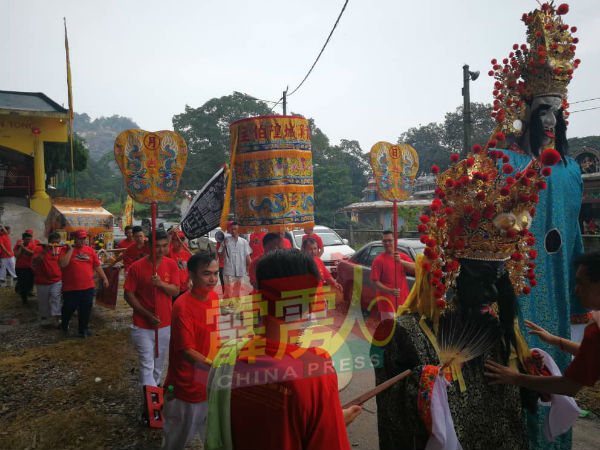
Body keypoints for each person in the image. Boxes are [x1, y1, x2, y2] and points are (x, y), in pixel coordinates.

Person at [485, 5, 585, 448]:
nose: (550, 119)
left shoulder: (569, 170)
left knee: (557, 382)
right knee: (519, 381)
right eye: (543, 110)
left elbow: (578, 238)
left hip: (560, 289)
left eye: (557, 113)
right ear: (526, 112)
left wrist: (582, 302)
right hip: (517, 290)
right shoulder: (505, 164)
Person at [205, 249, 360, 450]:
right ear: (313, 304)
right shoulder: (316, 371)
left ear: (256, 298)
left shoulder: (229, 356)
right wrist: (335, 421)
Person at [485, 251, 600, 396]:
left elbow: (568, 385)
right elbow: (591, 353)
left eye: (581, 283)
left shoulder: (596, 329)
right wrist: (556, 341)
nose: (576, 290)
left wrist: (515, 378)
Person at [162, 251, 220, 450]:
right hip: (185, 387)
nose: (212, 279)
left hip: (209, 384)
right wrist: (218, 366)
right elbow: (187, 351)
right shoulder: (182, 306)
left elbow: (216, 334)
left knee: (214, 440)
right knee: (175, 442)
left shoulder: (214, 298)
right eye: (206, 273)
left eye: (215, 273)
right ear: (191, 276)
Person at [124, 229, 180, 389]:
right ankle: (149, 399)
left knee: (159, 361)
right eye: (157, 246)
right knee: (146, 362)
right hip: (142, 324)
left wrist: (161, 284)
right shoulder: (136, 267)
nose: (161, 250)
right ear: (148, 246)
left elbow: (176, 290)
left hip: (164, 323)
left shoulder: (171, 265)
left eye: (164, 246)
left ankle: (155, 388)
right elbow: (128, 294)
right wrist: (146, 314)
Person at [59, 229, 109, 338]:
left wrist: (104, 278)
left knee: (86, 309)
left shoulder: (90, 251)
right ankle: (64, 323)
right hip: (70, 287)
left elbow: (97, 265)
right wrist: (71, 250)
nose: (82, 241)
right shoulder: (65, 249)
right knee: (68, 308)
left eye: (83, 239)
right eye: (79, 238)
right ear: (74, 239)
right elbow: (63, 264)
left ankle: (83, 329)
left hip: (88, 286)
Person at [370, 230, 415, 318]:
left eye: (390, 240)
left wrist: (400, 261)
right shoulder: (378, 260)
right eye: (384, 241)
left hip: (403, 303)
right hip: (387, 305)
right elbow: (374, 282)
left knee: (402, 330)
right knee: (390, 330)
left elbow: (415, 268)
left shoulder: (402, 256)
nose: (387, 243)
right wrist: (390, 291)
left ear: (395, 241)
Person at [32, 232, 63, 327]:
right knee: (43, 301)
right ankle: (44, 318)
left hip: (56, 279)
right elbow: (35, 261)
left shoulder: (60, 249)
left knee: (56, 298)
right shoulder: (39, 248)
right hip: (42, 280)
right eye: (54, 243)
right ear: (49, 241)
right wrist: (45, 250)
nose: (56, 245)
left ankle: (57, 318)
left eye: (57, 243)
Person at [218, 222, 251, 301]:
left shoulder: (244, 242)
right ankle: (229, 307)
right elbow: (221, 256)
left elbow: (247, 257)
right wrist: (225, 245)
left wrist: (249, 268)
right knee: (228, 292)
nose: (233, 231)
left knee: (239, 292)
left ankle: (238, 307)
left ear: (238, 230)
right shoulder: (225, 241)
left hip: (240, 270)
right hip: (228, 271)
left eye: (235, 229)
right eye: (231, 229)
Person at [169, 230, 192, 301]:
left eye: (182, 239)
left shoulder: (187, 254)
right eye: (177, 240)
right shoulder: (169, 253)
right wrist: (170, 233)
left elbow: (191, 270)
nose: (179, 242)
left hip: (185, 288)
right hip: (173, 288)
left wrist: (189, 281)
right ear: (172, 241)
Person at [14, 232, 36, 304]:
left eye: (29, 239)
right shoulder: (18, 246)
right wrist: (21, 247)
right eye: (26, 239)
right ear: (23, 239)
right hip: (20, 268)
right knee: (22, 284)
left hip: (30, 267)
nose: (28, 241)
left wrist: (24, 248)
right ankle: (24, 299)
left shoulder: (32, 245)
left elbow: (32, 253)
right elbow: (17, 255)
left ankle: (27, 291)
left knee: (30, 282)